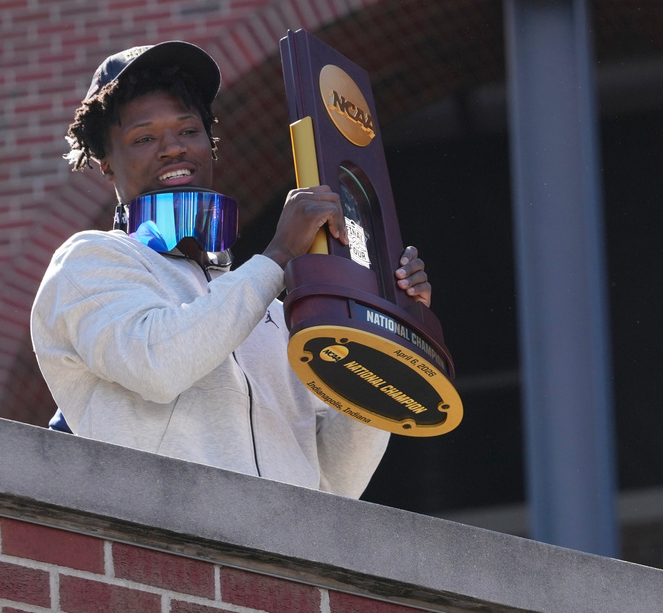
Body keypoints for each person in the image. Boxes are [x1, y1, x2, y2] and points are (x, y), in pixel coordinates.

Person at [30, 42, 432, 498]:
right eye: (144, 138)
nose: (172, 148)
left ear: (211, 143)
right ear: (106, 165)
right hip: (162, 551)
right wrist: (278, 256)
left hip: (281, 560)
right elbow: (158, 366)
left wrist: (388, 321)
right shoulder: (89, 262)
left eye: (189, 130)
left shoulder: (279, 316)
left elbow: (333, 487)